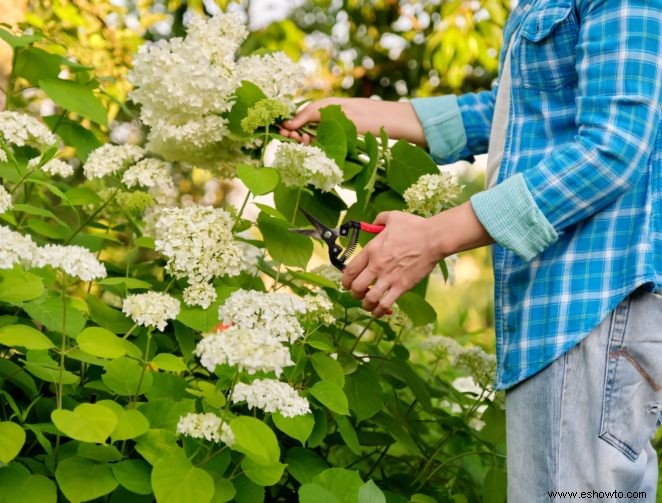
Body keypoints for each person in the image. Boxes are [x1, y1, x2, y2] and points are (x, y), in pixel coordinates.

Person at [280, 0, 662, 501]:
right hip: (557, 307)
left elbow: (612, 149)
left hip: (592, 303)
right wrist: (346, 113)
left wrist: (433, 236)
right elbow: (510, 109)